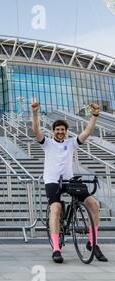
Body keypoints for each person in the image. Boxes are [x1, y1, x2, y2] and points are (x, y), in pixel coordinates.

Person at [31, 97, 108, 263]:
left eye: (62, 129)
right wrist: (35, 113)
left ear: (66, 131)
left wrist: (94, 115)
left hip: (69, 180)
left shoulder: (71, 143)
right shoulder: (48, 143)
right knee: (56, 208)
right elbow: (36, 131)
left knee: (94, 204)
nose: (60, 131)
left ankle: (92, 243)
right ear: (53, 131)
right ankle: (57, 249)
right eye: (57, 129)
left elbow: (86, 133)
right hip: (52, 181)